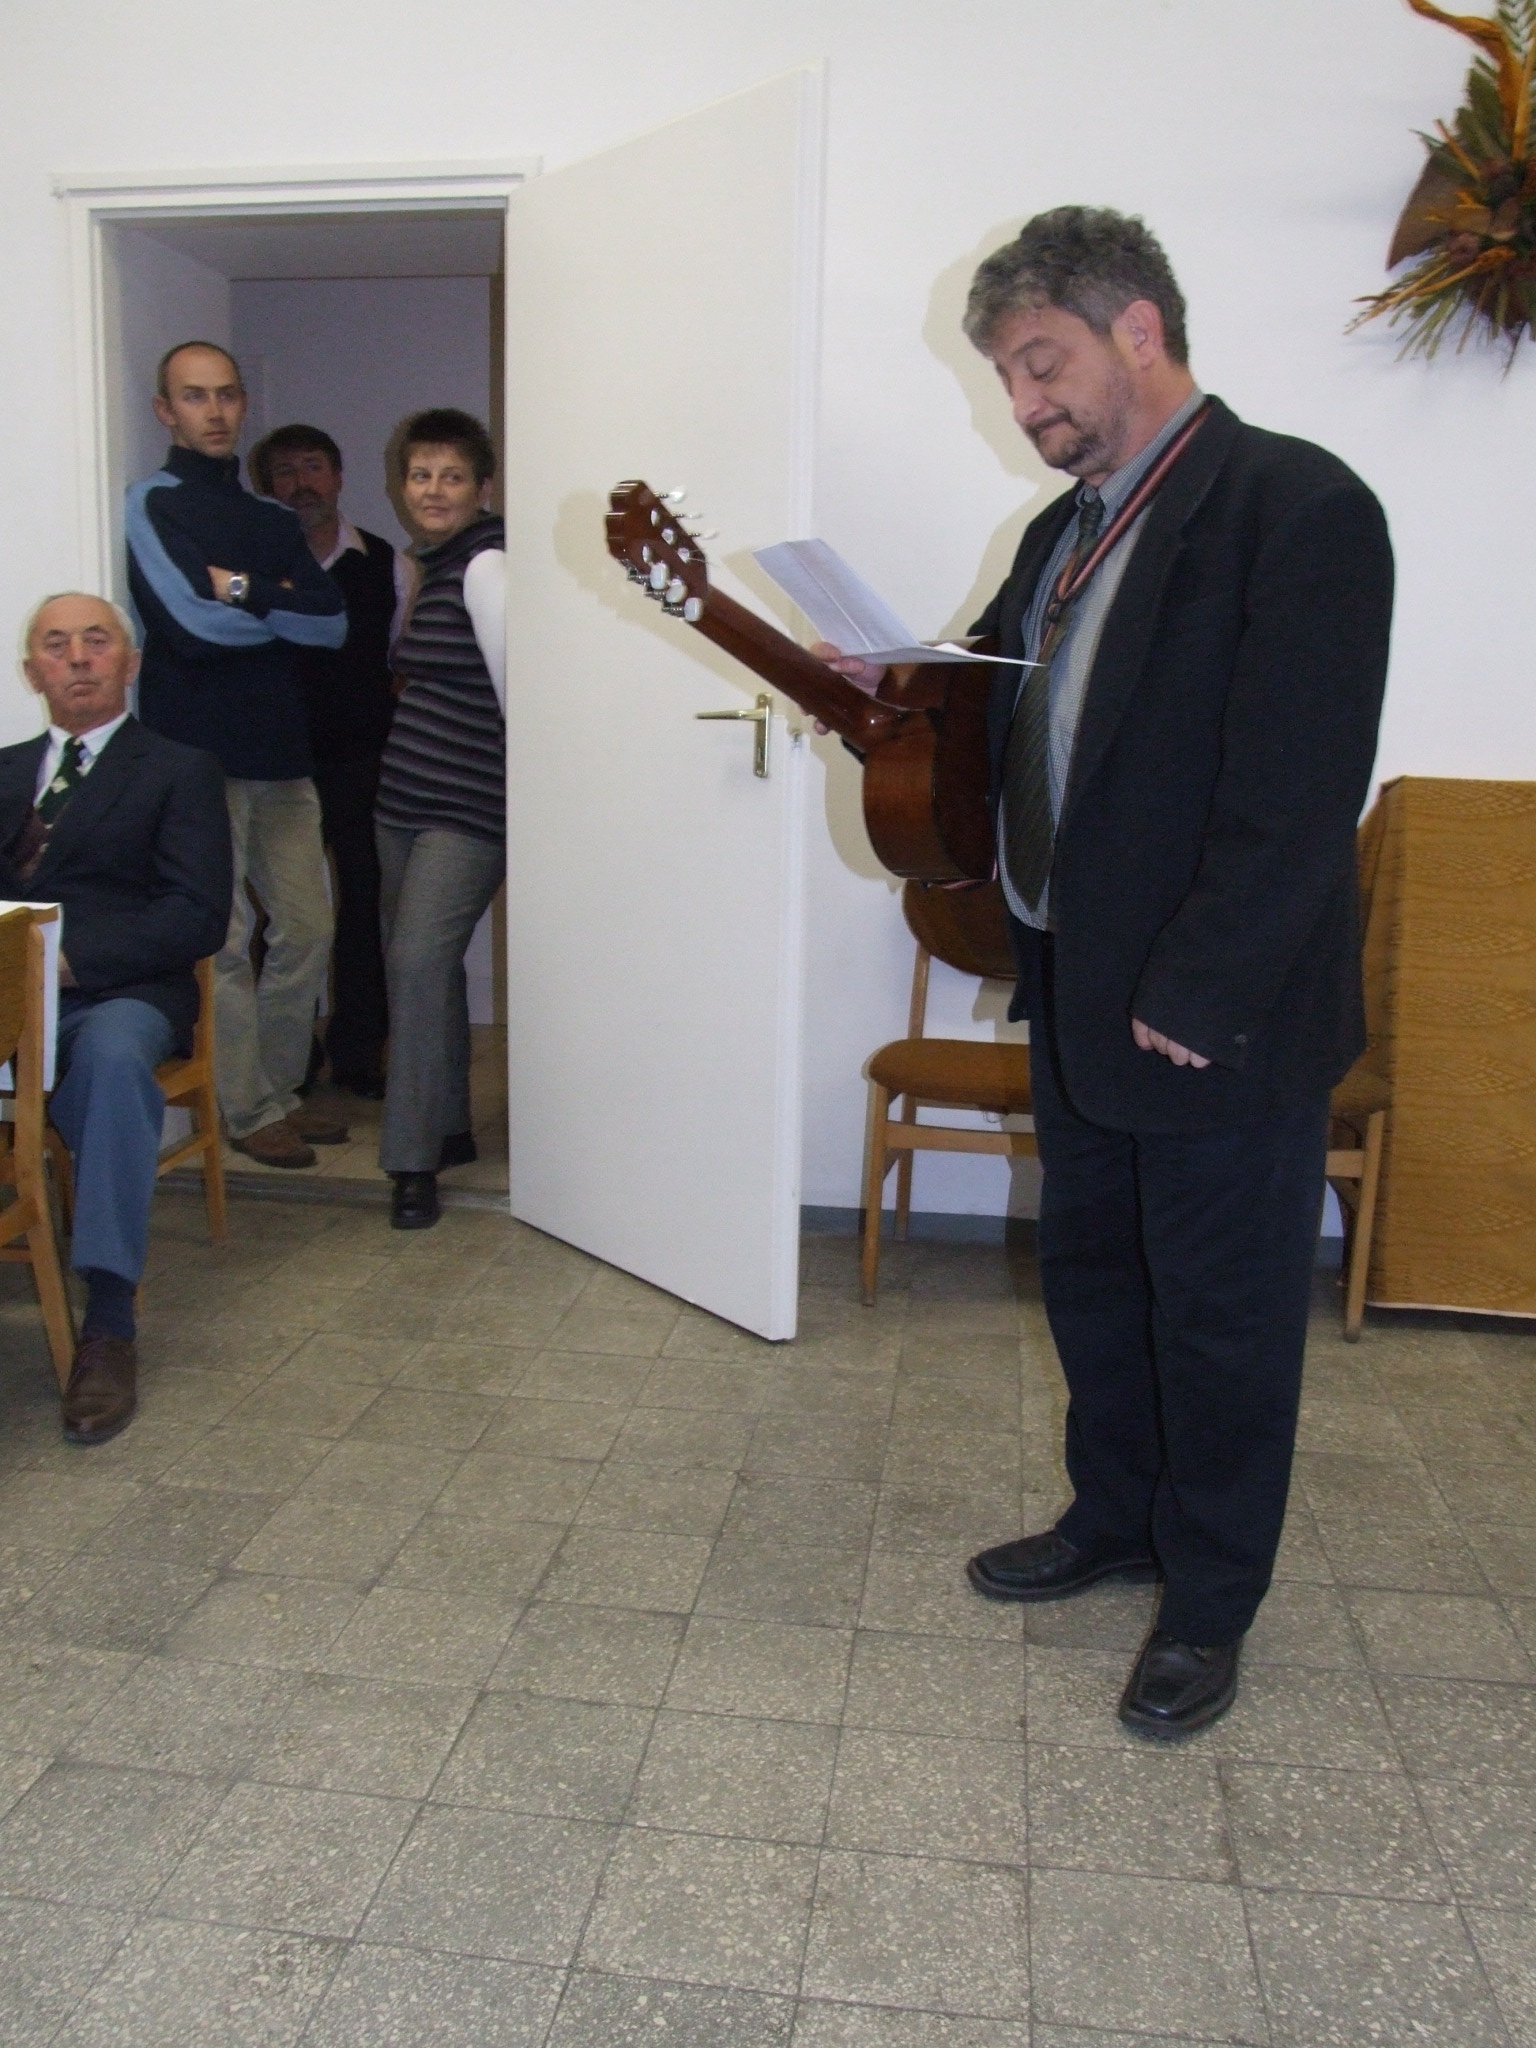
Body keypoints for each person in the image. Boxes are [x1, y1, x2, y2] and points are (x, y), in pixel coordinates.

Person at [820, 208, 1393, 1737]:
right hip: (1076, 978)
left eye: (1040, 362)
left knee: (1220, 1311)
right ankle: (1117, 1516)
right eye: (1008, 376)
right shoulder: (1061, 537)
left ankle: (1211, 1596)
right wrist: (877, 691)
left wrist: (1199, 997)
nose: (1023, 403)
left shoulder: (1295, 506)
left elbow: (1299, 791)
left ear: (1139, 329)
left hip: (1215, 1010)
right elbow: (991, 701)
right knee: (1097, 1275)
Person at [0, 594, 232, 1443]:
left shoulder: (178, 770)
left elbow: (197, 915)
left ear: (129, 664)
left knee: (109, 1059)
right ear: (33, 673)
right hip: (6, 995)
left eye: (97, 642)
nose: (78, 658)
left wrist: (66, 961)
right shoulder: (3, 771)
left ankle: (107, 1321)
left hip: (119, 992)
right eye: (57, 645)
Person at [126, 341, 350, 1169]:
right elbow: (191, 626)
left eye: (225, 395)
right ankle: (248, 1110)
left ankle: (279, 1090)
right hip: (195, 755)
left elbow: (332, 624)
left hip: (282, 751)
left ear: (243, 403)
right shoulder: (152, 504)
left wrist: (241, 588)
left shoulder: (270, 519)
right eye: (195, 396)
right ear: (166, 411)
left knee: (309, 929)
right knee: (223, 941)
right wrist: (274, 608)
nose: (214, 411)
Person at [251, 423, 414, 1100]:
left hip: (363, 760)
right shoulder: (253, 566)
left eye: (314, 467)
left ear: (339, 476)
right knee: (279, 914)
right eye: (286, 472)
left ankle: (358, 1052)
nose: (302, 484)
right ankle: (283, 1060)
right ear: (268, 486)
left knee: (364, 904)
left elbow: (401, 662)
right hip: (276, 762)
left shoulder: (389, 564)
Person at [373, 409, 505, 1231]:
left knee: (418, 963)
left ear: (482, 487)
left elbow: (523, 697)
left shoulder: (486, 566)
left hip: (467, 808)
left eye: (451, 476)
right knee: (426, 973)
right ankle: (449, 1124)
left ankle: (412, 1160)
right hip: (402, 803)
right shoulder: (436, 563)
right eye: (420, 475)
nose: (433, 490)